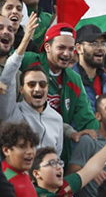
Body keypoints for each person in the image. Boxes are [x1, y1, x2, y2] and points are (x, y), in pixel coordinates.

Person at [21, 22, 99, 134]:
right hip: (24, 137)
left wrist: (104, 139)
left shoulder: (74, 79)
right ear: (47, 47)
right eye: (61, 47)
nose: (67, 54)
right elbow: (7, 62)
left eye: (71, 49)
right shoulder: (29, 61)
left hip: (57, 144)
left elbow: (86, 118)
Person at [0, 21, 64, 154]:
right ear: (21, 90)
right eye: (31, 84)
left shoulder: (57, 119)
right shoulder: (12, 112)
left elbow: (57, 157)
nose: (37, 89)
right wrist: (26, 39)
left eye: (42, 84)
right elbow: (7, 76)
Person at [73, 25, 106, 111]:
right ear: (79, 48)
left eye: (103, 44)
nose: (100, 48)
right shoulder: (71, 80)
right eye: (94, 43)